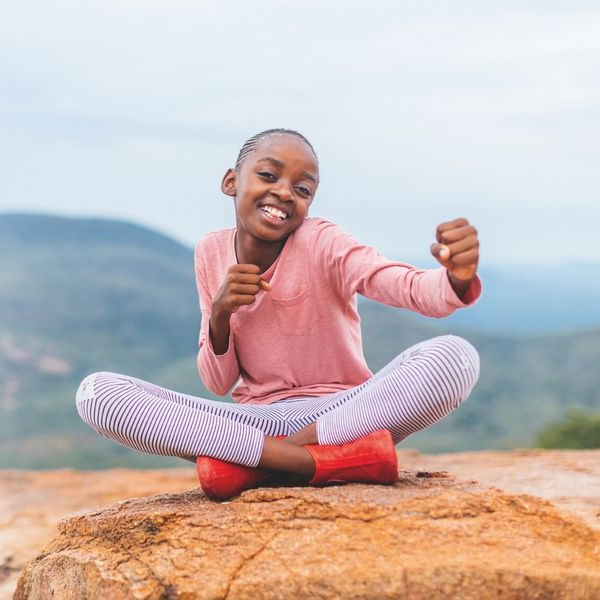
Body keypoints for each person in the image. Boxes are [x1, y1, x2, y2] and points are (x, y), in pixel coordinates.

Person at [74, 128, 482, 500]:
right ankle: (323, 463)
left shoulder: (323, 242)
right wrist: (220, 313)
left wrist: (456, 279)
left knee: (455, 358)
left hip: (341, 413)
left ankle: (259, 466)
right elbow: (218, 383)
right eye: (268, 176)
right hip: (254, 420)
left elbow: (399, 283)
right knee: (98, 394)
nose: (285, 193)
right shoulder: (211, 252)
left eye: (302, 189)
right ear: (231, 182)